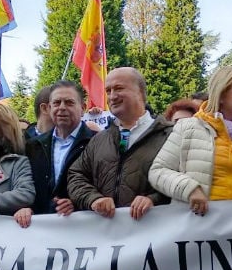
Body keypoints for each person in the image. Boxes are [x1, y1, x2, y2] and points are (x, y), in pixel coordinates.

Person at [150, 65, 232, 215]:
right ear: (221, 95)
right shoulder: (187, 128)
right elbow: (158, 171)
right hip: (197, 230)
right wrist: (189, 189)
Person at [68, 67, 173, 219]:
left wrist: (154, 199)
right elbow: (76, 175)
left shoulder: (170, 135)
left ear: (141, 93)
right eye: (108, 91)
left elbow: (185, 178)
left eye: (118, 88)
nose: (112, 96)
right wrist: (93, 199)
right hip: (107, 236)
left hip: (156, 236)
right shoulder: (99, 140)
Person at [24, 82, 97, 218]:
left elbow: (103, 187)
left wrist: (76, 203)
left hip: (83, 230)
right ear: (49, 108)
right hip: (39, 231)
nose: (62, 108)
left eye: (69, 102)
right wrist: (25, 208)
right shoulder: (33, 146)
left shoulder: (97, 143)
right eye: (57, 103)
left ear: (83, 108)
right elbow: (26, 186)